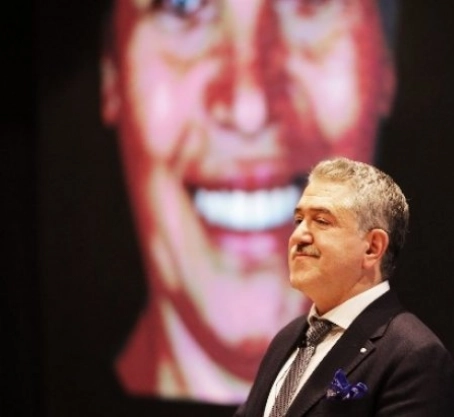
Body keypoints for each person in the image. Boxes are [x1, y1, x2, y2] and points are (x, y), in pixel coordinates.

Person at [100, 0, 398, 403]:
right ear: (112, 74)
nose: (249, 109)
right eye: (183, 7)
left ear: (385, 63)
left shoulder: (421, 364)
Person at [233, 157, 454, 417]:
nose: (299, 236)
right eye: (298, 220)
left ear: (372, 247)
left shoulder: (414, 355)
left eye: (322, 221)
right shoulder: (287, 338)